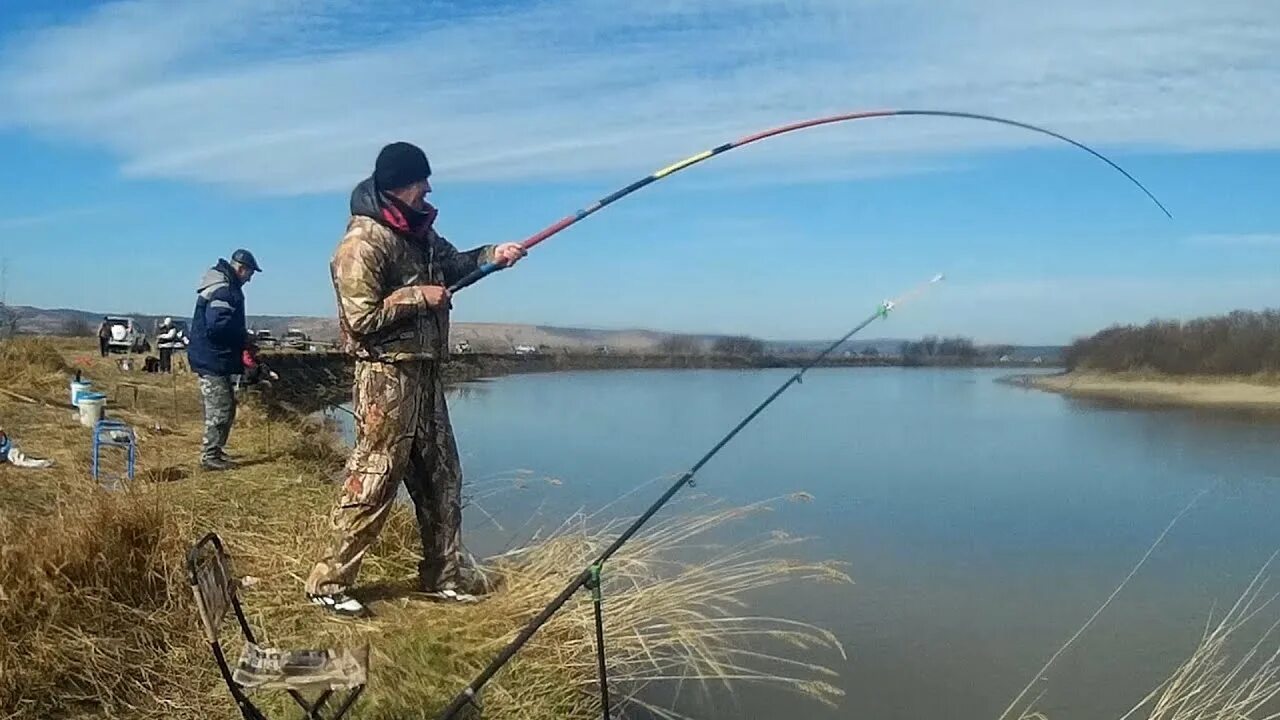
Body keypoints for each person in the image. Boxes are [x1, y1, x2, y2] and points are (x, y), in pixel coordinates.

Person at [305, 142, 525, 617]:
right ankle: (328, 582)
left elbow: (453, 266)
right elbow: (361, 319)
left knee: (442, 476)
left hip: (424, 372)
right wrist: (420, 298)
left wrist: (494, 254)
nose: (428, 188)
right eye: (421, 180)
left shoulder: (419, 232)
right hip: (386, 376)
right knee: (375, 477)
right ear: (399, 184)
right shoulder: (361, 243)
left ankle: (442, 577)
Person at [187, 249, 261, 471]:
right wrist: (243, 337)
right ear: (241, 268)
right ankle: (209, 456)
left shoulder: (224, 287)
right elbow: (218, 326)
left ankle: (215, 452)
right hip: (212, 359)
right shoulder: (225, 290)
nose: (250, 278)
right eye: (250, 273)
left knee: (225, 407)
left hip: (214, 357)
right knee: (220, 409)